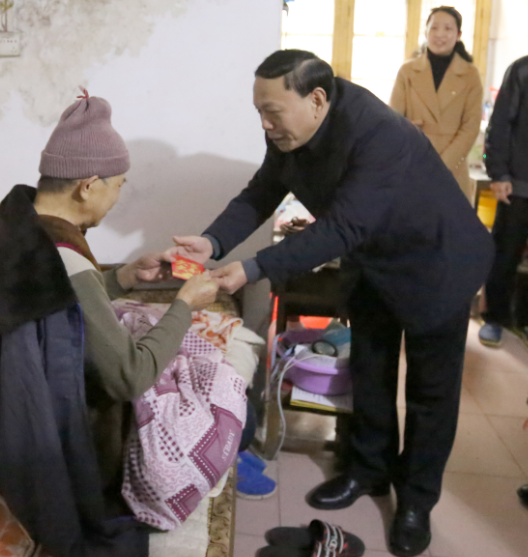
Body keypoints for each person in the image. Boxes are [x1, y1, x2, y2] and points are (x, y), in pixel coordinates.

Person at [168, 50, 493, 557]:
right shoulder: (287, 131)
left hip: (437, 262)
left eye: (272, 112)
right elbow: (262, 191)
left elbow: (342, 227)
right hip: (374, 263)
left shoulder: (378, 133)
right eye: (259, 111)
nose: (265, 124)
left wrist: (252, 268)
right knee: (370, 370)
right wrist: (213, 243)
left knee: (431, 394)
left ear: (316, 100)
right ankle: (368, 470)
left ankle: (416, 501)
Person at [0, 94, 219, 557]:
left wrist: (121, 278)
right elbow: (128, 376)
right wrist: (184, 305)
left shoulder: (12, 227)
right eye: (118, 186)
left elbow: (52, 305)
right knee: (216, 391)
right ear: (88, 187)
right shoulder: (67, 259)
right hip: (53, 449)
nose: (117, 198)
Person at [390, 6, 483, 204]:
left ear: (458, 35)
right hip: (412, 163)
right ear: (426, 32)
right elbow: (392, 120)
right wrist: (407, 128)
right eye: (434, 28)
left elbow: (470, 127)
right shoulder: (407, 71)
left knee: (449, 219)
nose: (440, 34)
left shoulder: (470, 75)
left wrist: (440, 165)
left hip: (452, 168)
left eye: (448, 29)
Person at [478, 54, 528, 348]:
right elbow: (499, 125)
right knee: (505, 255)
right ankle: (494, 318)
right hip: (517, 185)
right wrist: (499, 173)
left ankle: (523, 319)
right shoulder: (521, 70)